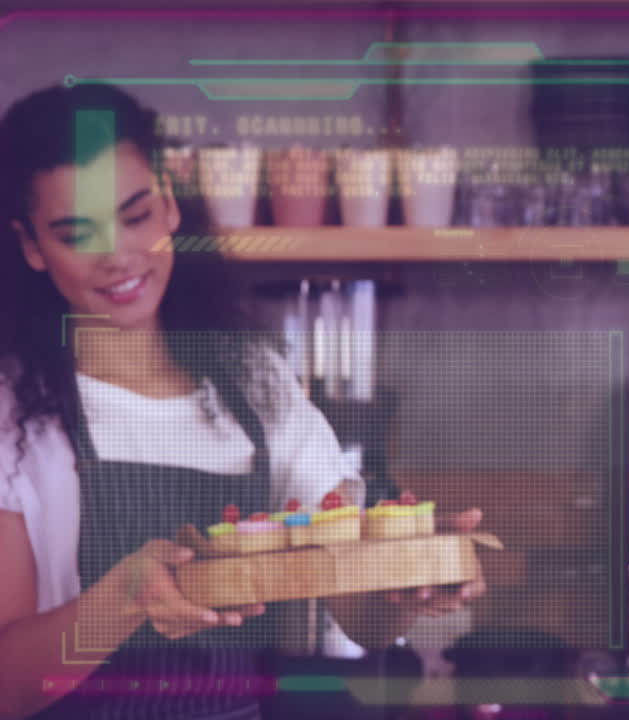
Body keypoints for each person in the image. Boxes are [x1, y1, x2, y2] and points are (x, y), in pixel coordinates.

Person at [0, 84, 483, 720]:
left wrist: (409, 581)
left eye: (136, 217)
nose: (118, 256)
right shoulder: (11, 416)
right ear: (31, 246)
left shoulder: (257, 383)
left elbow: (358, 614)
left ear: (169, 203)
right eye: (78, 234)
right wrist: (127, 596)